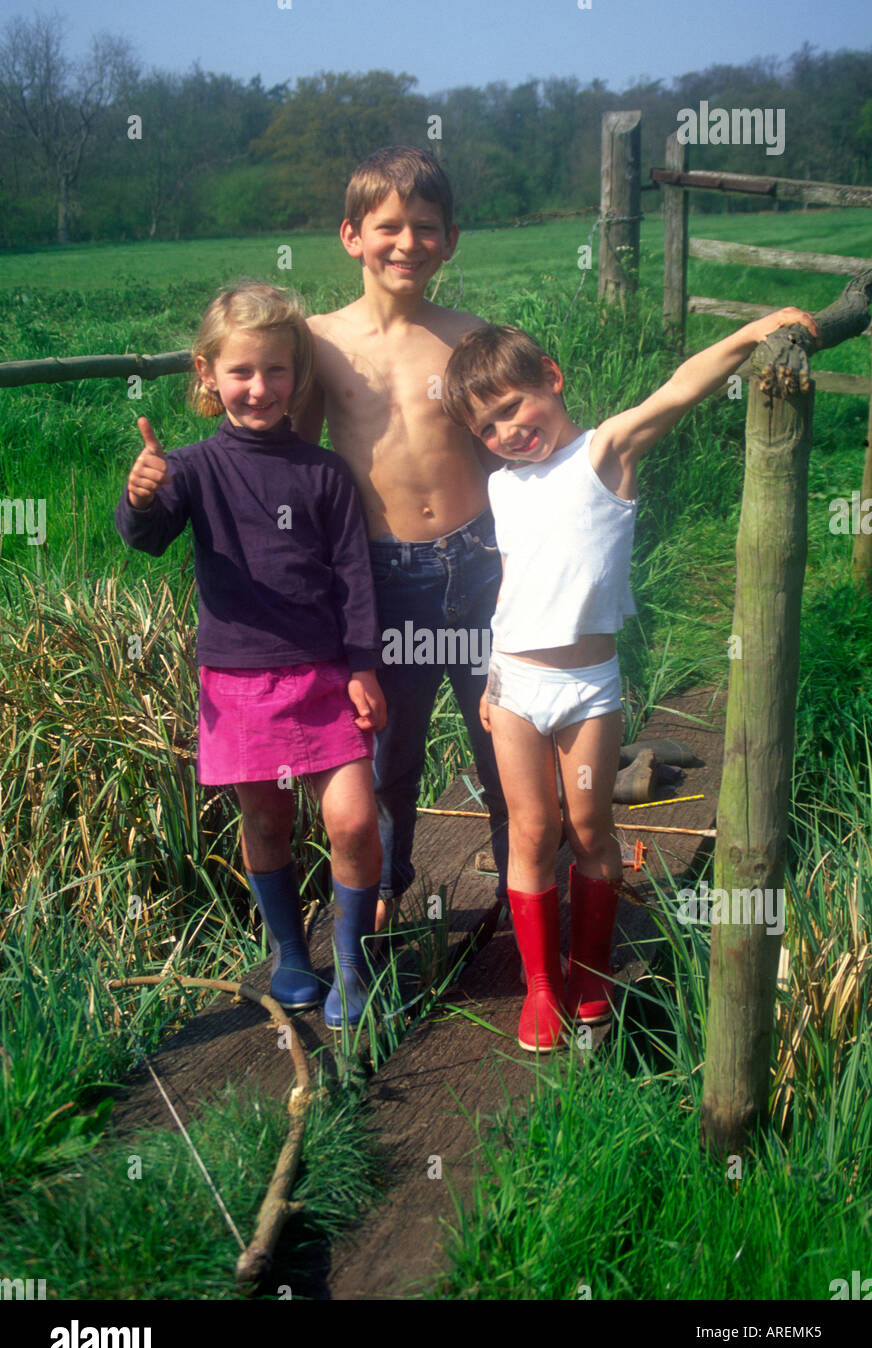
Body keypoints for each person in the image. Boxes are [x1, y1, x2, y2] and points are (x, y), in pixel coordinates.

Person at [442, 307, 819, 1051]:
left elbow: (680, 389)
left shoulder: (604, 452)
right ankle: (540, 986)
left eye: (515, 407)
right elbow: (510, 585)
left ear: (551, 378)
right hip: (516, 683)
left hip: (588, 688)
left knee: (589, 827)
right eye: (487, 428)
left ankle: (589, 968)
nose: (508, 433)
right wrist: (489, 678)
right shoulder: (503, 489)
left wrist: (750, 335)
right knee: (531, 827)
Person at [114, 281, 387, 1030]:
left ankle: (354, 965)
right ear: (207, 374)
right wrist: (140, 495)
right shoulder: (192, 469)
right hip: (236, 683)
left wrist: (363, 665)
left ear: (299, 377)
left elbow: (355, 579)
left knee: (355, 823)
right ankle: (293, 958)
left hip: (328, 678)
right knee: (265, 823)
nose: (259, 388)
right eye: (241, 372)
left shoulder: (326, 473)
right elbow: (147, 536)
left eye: (276, 371)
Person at [296, 146, 509, 933]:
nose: (408, 243)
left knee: (507, 739)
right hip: (384, 580)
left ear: (450, 240)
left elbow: (508, 449)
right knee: (389, 753)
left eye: (427, 228)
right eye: (390, 226)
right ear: (352, 234)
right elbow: (295, 461)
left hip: (482, 564)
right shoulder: (319, 342)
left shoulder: (470, 338)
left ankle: (526, 887)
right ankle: (383, 893)